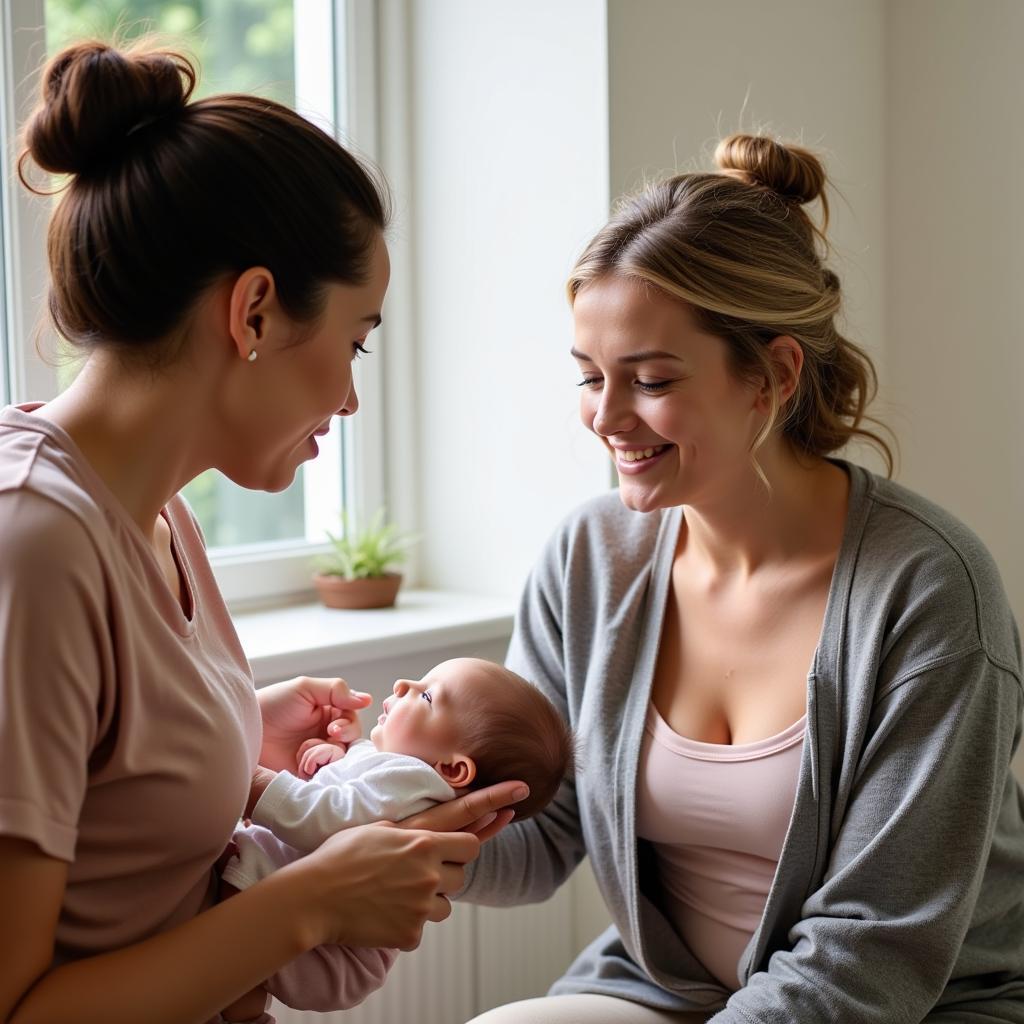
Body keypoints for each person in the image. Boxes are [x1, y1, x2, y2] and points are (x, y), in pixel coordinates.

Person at [0, 40, 527, 1024]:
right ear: (252, 309)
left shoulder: (156, 514)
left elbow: (115, 799)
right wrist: (315, 901)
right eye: (354, 339)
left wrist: (234, 726)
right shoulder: (33, 543)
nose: (352, 396)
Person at [458, 134, 1024, 1023]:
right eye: (589, 377)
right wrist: (377, 813)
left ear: (773, 375)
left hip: (918, 1004)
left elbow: (875, 944)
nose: (606, 418)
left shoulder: (928, 592)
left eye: (649, 380)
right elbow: (538, 832)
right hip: (667, 988)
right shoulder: (588, 559)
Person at [217, 657, 574, 1018]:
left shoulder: (415, 781)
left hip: (334, 959)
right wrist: (333, 757)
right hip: (303, 918)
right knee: (232, 975)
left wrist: (252, 781)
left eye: (427, 697)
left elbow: (326, 819)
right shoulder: (396, 770)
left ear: (452, 768)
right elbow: (352, 789)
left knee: (230, 972)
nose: (404, 684)